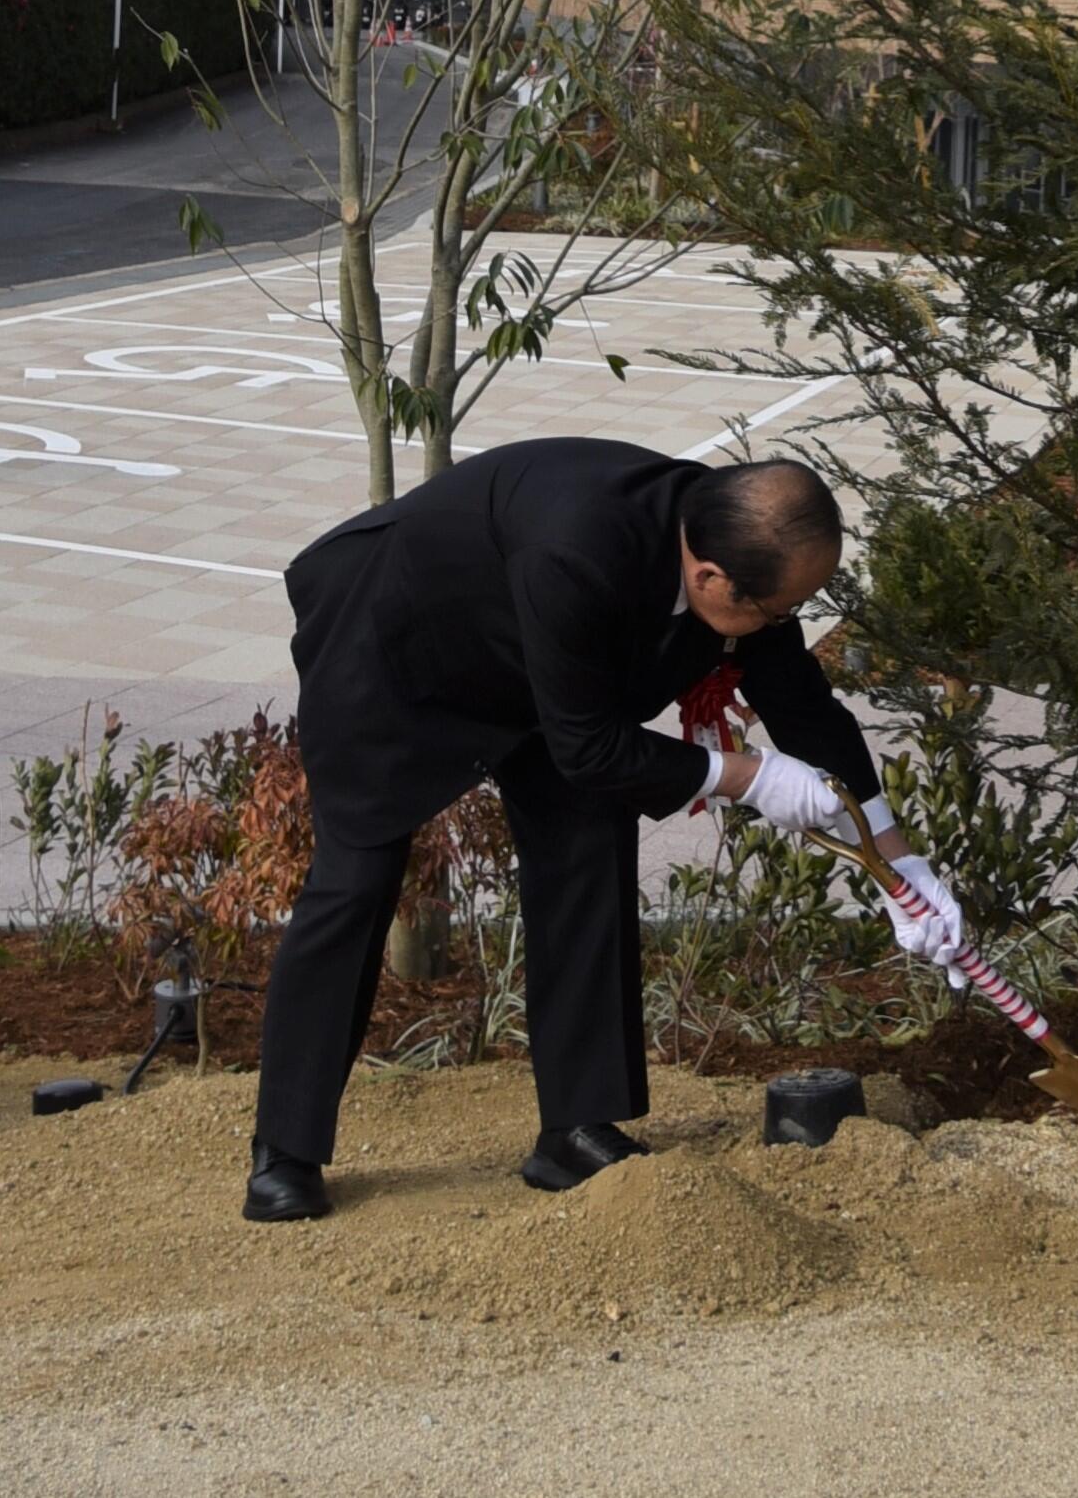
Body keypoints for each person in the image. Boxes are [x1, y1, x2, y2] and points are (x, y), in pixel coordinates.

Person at [243, 438, 963, 1223]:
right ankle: (286, 1149)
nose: (780, 621)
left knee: (588, 841)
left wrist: (900, 865)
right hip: (397, 645)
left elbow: (804, 708)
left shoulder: (737, 541)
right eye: (774, 610)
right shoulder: (580, 545)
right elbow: (589, 744)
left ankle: (574, 1129)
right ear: (710, 576)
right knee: (356, 879)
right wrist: (751, 776)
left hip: (552, 671)